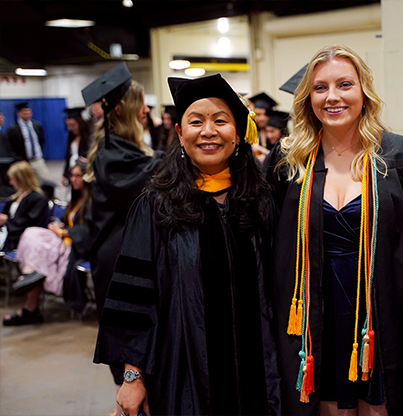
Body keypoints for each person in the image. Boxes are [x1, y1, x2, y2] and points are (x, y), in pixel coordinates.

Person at [264, 44, 403, 415]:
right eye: (320, 87)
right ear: (307, 97)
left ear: (364, 91)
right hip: (315, 316)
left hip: (383, 314)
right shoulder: (288, 162)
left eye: (345, 84)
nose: (333, 97)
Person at [94, 73, 279, 415]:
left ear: (238, 134)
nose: (208, 131)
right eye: (196, 121)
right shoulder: (156, 206)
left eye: (221, 121)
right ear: (180, 134)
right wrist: (132, 377)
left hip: (260, 373)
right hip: (186, 373)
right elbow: (136, 300)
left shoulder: (261, 202)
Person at [81, 62, 162, 415]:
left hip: (123, 257)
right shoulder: (114, 154)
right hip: (117, 266)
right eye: (141, 103)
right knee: (131, 368)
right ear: (123, 109)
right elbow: (147, 179)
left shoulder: (122, 148)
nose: (146, 109)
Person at [3, 161, 90, 326]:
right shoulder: (76, 199)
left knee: (39, 252)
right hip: (64, 237)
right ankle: (31, 276)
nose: (73, 179)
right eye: (72, 176)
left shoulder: (92, 202)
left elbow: (88, 229)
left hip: (77, 244)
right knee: (31, 234)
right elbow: (68, 222)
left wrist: (63, 232)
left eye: (78, 176)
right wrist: (58, 226)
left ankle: (30, 296)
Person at [0, 161, 48, 253]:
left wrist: (7, 220)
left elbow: (31, 223)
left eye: (12, 179)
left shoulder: (38, 199)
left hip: (19, 236)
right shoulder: (16, 196)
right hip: (7, 231)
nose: (10, 183)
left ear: (21, 179)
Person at [5, 102, 51, 179]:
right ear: (19, 113)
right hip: (22, 162)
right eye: (25, 111)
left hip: (37, 160)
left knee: (45, 181)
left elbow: (41, 141)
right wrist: (19, 159)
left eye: (29, 111)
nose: (27, 113)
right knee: (26, 183)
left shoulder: (36, 126)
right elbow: (10, 147)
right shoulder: (13, 129)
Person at [62, 108, 92, 188]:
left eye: (73, 125)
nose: (71, 128)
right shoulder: (71, 137)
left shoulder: (88, 137)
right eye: (69, 126)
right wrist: (65, 174)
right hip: (72, 169)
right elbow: (68, 156)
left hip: (82, 168)